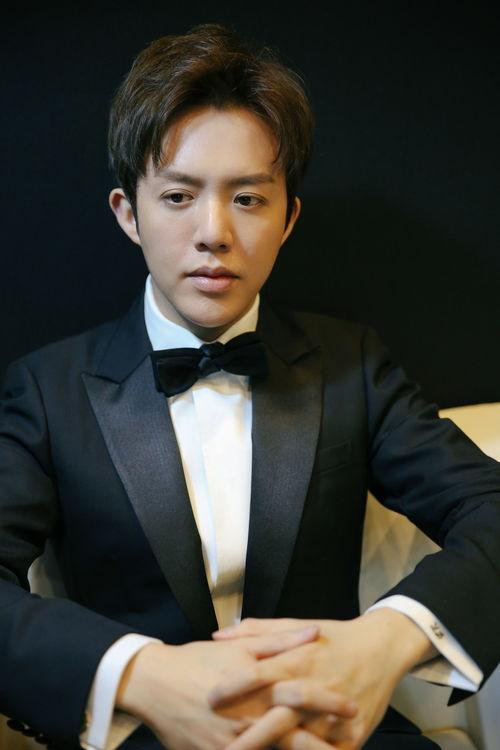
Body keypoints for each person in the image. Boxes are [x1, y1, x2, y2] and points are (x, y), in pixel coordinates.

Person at [0, 22, 499, 750]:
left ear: (288, 217)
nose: (213, 232)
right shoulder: (46, 390)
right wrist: (136, 675)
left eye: (248, 199)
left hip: (334, 729)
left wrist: (383, 642)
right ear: (128, 213)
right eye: (178, 196)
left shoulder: (351, 364)